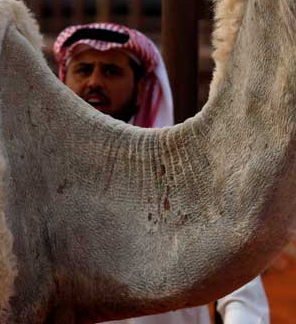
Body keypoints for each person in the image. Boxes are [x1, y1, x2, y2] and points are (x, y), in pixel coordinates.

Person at [53, 23, 271, 324]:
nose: (94, 82)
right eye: (83, 69)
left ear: (141, 88)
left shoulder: (181, 174)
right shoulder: (41, 173)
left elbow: (240, 286)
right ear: (62, 80)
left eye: (111, 71)